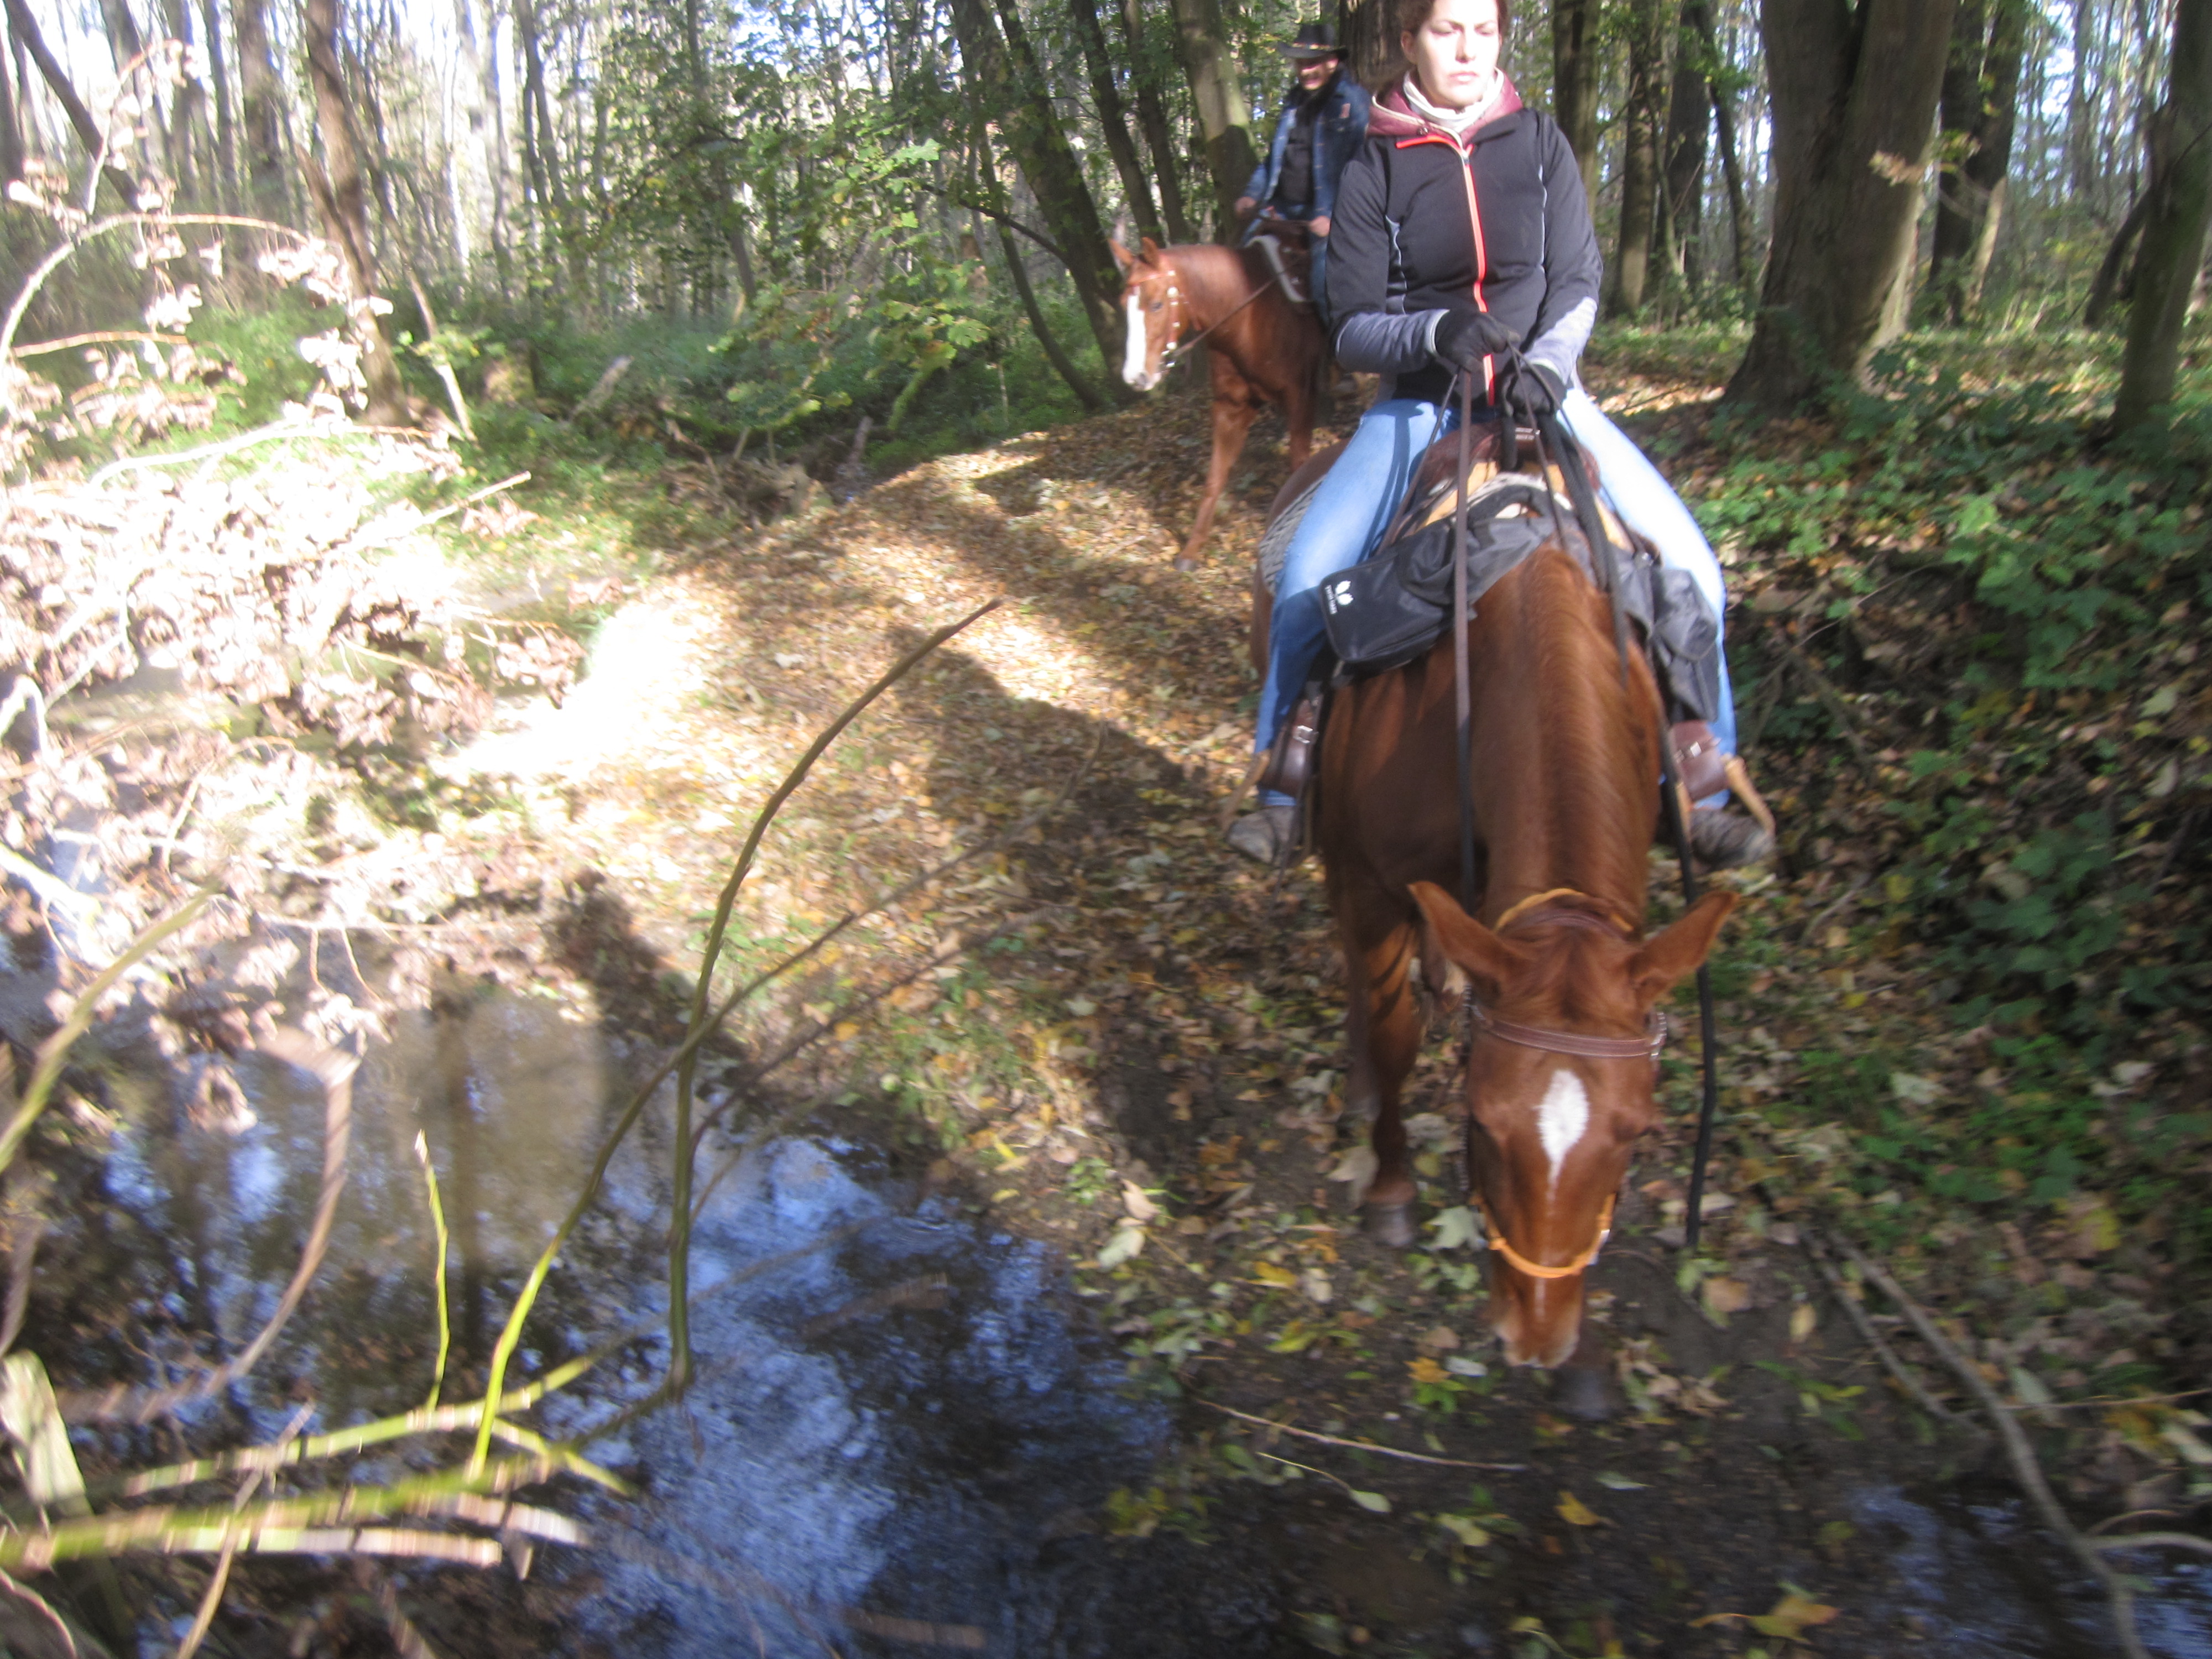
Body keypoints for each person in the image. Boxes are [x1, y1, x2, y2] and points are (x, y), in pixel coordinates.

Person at [1228, 0, 1771, 872]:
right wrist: (1436, 334)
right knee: (1304, 577)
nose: (1468, 50)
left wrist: (1548, 367)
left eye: (1484, 31)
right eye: (1448, 31)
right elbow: (1353, 326)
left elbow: (1578, 280)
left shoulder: (1542, 144)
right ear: (1410, 41)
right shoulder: (1373, 163)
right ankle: (1285, 788)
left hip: (1546, 398)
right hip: (1421, 406)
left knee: (1697, 570)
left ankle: (1701, 787)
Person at [1235, 22, 1371, 325]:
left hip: (1327, 214)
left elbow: (1366, 168)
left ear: (1332, 62)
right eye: (1300, 64)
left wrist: (1336, 217)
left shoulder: (1354, 102)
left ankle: (1342, 349)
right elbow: (1273, 160)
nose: (1305, 71)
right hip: (1282, 208)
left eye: (1312, 63)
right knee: (1240, 265)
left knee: (1325, 287)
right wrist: (1251, 196)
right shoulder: (1293, 103)